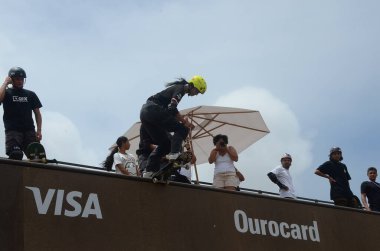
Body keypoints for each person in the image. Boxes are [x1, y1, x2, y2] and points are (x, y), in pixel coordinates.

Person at [140, 76, 206, 177]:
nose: (195, 94)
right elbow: (172, 108)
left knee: (166, 144)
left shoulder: (178, 89)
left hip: (145, 114)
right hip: (153, 109)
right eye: (197, 91)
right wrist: (185, 122)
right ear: (193, 86)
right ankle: (174, 154)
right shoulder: (181, 88)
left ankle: (149, 170)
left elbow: (169, 111)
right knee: (183, 129)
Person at [0, 67, 42, 160]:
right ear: (11, 79)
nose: (20, 81)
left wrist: (39, 130)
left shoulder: (31, 94)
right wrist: (5, 83)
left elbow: (37, 113)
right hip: (13, 131)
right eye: (17, 79)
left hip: (29, 131)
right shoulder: (7, 93)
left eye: (22, 79)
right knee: (16, 154)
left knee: (37, 157)